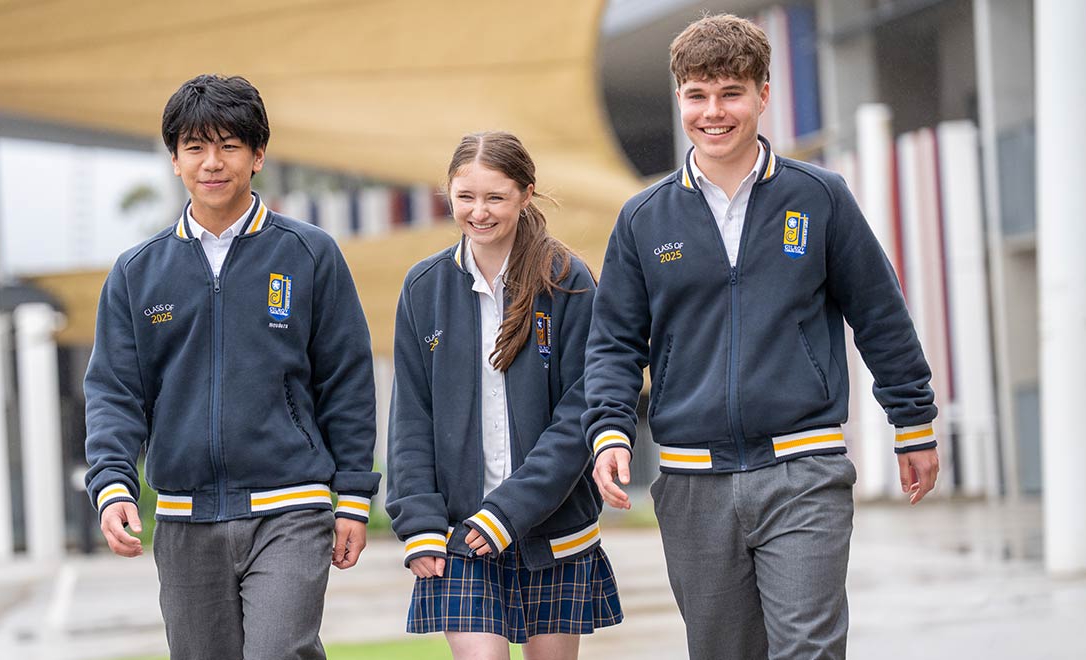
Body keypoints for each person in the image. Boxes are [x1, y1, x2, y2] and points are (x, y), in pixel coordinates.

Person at [583, 14, 940, 660]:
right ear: (679, 98)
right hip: (692, 481)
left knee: (809, 650)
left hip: (803, 468)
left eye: (730, 93)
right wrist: (608, 430)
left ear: (762, 94)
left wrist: (912, 421)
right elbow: (613, 342)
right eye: (697, 94)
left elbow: (880, 314)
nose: (712, 112)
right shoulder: (643, 218)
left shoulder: (820, 198)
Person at [84, 74, 378, 660]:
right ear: (174, 160)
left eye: (229, 146)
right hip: (185, 517)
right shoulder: (136, 272)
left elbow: (346, 380)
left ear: (258, 155)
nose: (212, 163)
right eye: (195, 147)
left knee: (278, 652)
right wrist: (112, 482)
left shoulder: (310, 254)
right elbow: (116, 391)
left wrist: (352, 497)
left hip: (290, 507)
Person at [386, 131, 622, 660]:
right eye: (465, 197)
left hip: (554, 532)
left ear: (525, 194)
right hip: (461, 535)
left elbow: (578, 413)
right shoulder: (423, 287)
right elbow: (411, 416)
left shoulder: (568, 280)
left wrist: (508, 511)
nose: (479, 212)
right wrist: (419, 521)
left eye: (495, 197)